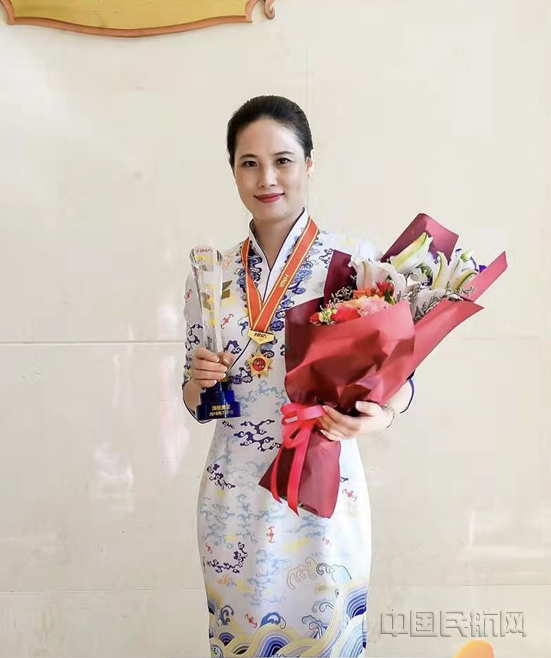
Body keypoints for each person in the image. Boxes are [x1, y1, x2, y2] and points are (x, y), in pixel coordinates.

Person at [182, 95, 414, 658]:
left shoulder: (355, 265)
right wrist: (198, 384)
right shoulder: (210, 274)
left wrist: (378, 418)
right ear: (233, 170)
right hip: (234, 498)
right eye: (249, 163)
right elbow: (195, 398)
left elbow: (401, 378)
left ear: (309, 163)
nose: (267, 178)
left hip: (322, 495)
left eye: (282, 160)